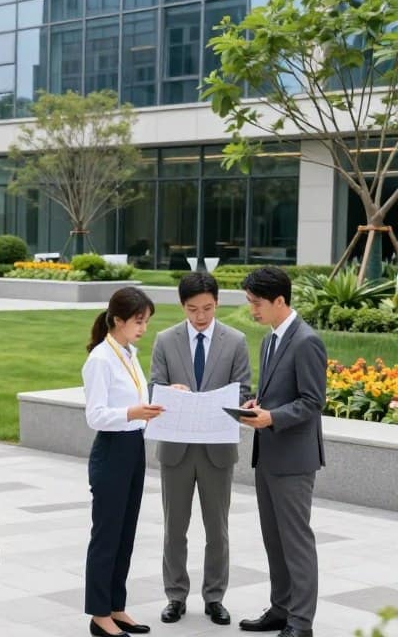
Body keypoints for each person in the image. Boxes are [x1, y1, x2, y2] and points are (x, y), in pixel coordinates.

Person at [149, 272, 252, 627]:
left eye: (207, 308)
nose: (201, 316)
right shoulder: (165, 340)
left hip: (217, 450)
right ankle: (175, 596)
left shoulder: (235, 341)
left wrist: (227, 400)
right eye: (193, 309)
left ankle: (215, 597)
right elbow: (153, 388)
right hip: (176, 449)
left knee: (217, 529)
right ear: (182, 306)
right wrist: (168, 392)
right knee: (174, 528)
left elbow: (244, 392)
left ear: (217, 303)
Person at [238, 267, 326, 637]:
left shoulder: (307, 341)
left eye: (256, 303)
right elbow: (280, 391)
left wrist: (272, 416)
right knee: (274, 540)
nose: (252, 310)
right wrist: (258, 404)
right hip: (268, 455)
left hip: (293, 460)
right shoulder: (270, 339)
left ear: (279, 301)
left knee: (296, 542)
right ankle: (281, 609)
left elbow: (313, 402)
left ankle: (300, 623)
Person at [82, 287, 163, 637]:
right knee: (107, 536)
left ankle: (116, 607)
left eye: (146, 321)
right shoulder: (100, 359)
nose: (143, 328)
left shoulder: (128, 354)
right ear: (118, 320)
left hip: (134, 448)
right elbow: (96, 416)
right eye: (138, 321)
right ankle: (99, 616)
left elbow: (134, 397)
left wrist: (161, 397)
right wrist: (133, 412)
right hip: (112, 450)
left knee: (125, 534)